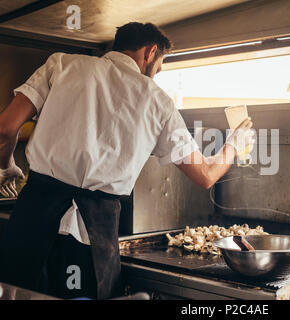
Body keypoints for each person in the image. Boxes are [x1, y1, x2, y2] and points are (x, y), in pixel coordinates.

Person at [0, 22, 254, 299]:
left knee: (17, 292)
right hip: (93, 234)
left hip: (33, 217)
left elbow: (5, 128)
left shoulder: (62, 64)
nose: (155, 76)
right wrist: (233, 144)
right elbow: (205, 175)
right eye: (159, 67)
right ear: (151, 51)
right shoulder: (158, 102)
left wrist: (6, 164)